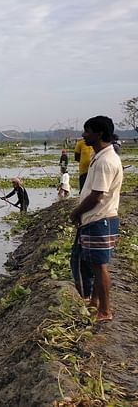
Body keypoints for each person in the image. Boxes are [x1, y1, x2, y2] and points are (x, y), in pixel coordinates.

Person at [70, 116, 122, 323]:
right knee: (92, 264)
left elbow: (97, 195)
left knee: (99, 267)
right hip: (95, 219)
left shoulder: (106, 161)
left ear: (99, 133)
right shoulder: (99, 156)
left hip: (100, 220)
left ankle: (105, 311)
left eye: (87, 131)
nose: (84, 135)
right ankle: (94, 302)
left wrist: (75, 213)